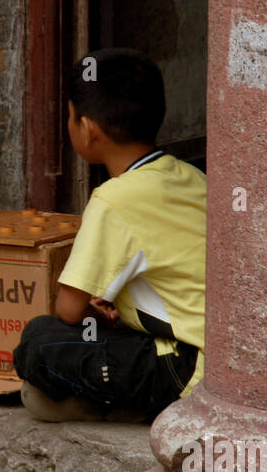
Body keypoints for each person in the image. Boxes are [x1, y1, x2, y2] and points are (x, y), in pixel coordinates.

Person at [14, 48, 206, 422]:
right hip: (212, 356)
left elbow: (69, 309)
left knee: (39, 341)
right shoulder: (191, 175)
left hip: (181, 367)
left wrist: (95, 314)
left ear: (87, 129)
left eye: (69, 116)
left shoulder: (113, 199)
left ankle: (123, 407)